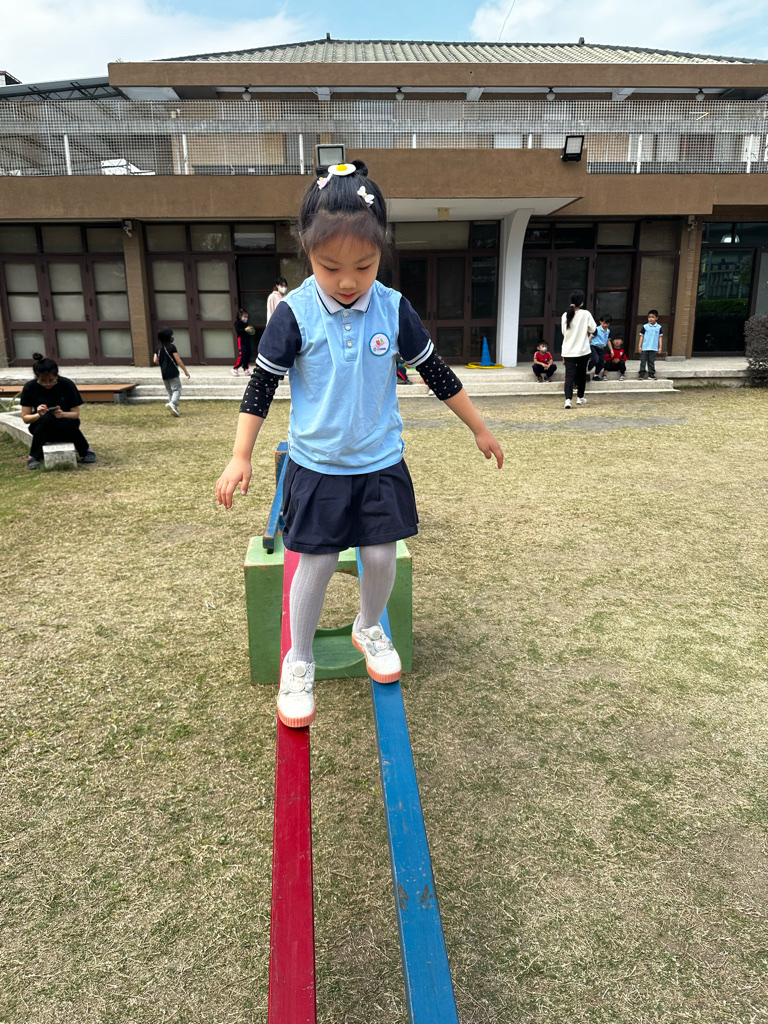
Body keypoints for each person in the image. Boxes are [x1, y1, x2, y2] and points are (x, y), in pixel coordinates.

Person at [215, 159, 504, 729]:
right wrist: (240, 454)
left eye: (364, 266)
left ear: (381, 254)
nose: (348, 281)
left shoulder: (393, 308)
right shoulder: (295, 313)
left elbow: (436, 372)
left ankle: (368, 626)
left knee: (379, 555)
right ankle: (298, 659)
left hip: (379, 460)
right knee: (318, 561)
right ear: (307, 252)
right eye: (331, 267)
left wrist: (478, 426)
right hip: (318, 464)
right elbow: (262, 385)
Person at [19, 353, 96, 470]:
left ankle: (85, 450)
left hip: (65, 426)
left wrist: (62, 414)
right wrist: (38, 414)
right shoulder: (30, 387)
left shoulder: (67, 384)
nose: (48, 384)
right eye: (43, 381)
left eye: (51, 380)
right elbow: (25, 418)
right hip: (41, 428)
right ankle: (34, 456)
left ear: (57, 376)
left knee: (65, 421)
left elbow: (75, 414)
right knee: (46, 418)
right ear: (37, 377)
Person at [560, 290, 596, 409]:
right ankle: (580, 397)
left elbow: (564, 332)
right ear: (581, 302)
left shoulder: (565, 315)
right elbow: (593, 329)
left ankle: (568, 400)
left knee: (569, 375)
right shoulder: (586, 314)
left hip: (568, 350)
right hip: (583, 350)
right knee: (581, 374)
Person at [153, 326, 190, 417]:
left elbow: (155, 360)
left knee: (170, 391)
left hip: (164, 373)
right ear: (169, 337)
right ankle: (173, 404)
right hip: (173, 372)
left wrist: (163, 365)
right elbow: (178, 360)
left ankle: (174, 409)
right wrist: (185, 371)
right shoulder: (171, 347)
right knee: (177, 389)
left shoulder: (158, 348)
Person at [638, 309, 663, 380]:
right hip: (645, 347)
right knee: (643, 361)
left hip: (653, 347)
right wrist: (639, 346)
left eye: (652, 317)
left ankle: (651, 374)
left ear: (656, 318)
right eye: (649, 317)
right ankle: (641, 374)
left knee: (651, 361)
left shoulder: (659, 327)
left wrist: (660, 347)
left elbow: (660, 338)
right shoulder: (645, 326)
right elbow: (641, 336)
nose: (651, 319)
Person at [232, 308, 256, 377]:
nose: (246, 318)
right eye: (244, 316)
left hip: (247, 340)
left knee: (248, 354)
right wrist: (245, 330)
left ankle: (246, 368)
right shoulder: (237, 323)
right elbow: (238, 331)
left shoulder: (246, 324)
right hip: (241, 340)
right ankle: (235, 368)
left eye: (247, 317)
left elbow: (249, 332)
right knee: (242, 355)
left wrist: (251, 332)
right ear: (240, 316)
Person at [589, 315, 614, 381]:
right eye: (604, 323)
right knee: (595, 359)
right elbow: (590, 337)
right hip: (593, 346)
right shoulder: (596, 329)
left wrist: (611, 350)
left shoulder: (608, 331)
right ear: (600, 322)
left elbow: (608, 341)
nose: (605, 325)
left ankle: (596, 375)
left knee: (602, 362)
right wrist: (587, 346)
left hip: (601, 348)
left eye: (607, 324)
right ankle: (588, 371)